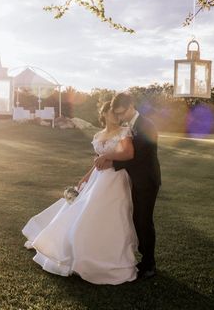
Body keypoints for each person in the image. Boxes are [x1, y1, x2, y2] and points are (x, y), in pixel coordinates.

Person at [21, 102, 138, 285]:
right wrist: (85, 177)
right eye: (112, 112)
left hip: (115, 180)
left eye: (118, 112)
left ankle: (107, 259)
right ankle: (76, 253)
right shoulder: (98, 135)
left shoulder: (124, 131)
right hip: (97, 179)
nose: (116, 115)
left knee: (108, 215)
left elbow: (128, 154)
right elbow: (96, 162)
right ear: (104, 114)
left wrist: (108, 157)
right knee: (84, 211)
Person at [95, 92, 161, 279]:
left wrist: (111, 161)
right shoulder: (129, 125)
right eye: (117, 113)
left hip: (147, 180)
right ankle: (144, 259)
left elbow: (139, 156)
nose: (120, 117)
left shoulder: (147, 125)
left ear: (131, 105)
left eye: (122, 112)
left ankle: (150, 264)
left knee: (144, 221)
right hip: (134, 179)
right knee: (136, 219)